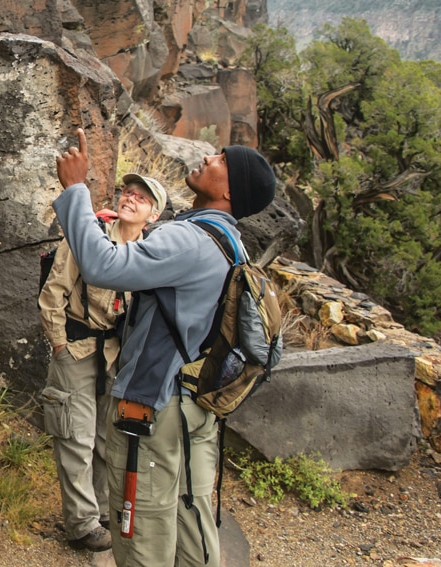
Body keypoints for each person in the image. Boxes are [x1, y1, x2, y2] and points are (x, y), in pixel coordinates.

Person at [52, 129, 276, 567]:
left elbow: (102, 266)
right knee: (192, 524)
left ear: (230, 189)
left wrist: (76, 190)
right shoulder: (231, 244)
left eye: (221, 160)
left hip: (153, 410)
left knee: (142, 536)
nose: (208, 157)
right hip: (195, 406)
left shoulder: (190, 239)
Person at [38, 171, 169, 553]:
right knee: (75, 436)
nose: (129, 199)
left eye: (141, 199)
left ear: (153, 215)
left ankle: (100, 510)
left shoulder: (152, 252)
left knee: (107, 438)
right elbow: (53, 294)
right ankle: (81, 525)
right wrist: (60, 346)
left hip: (116, 355)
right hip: (77, 349)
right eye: (127, 193)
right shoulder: (89, 235)